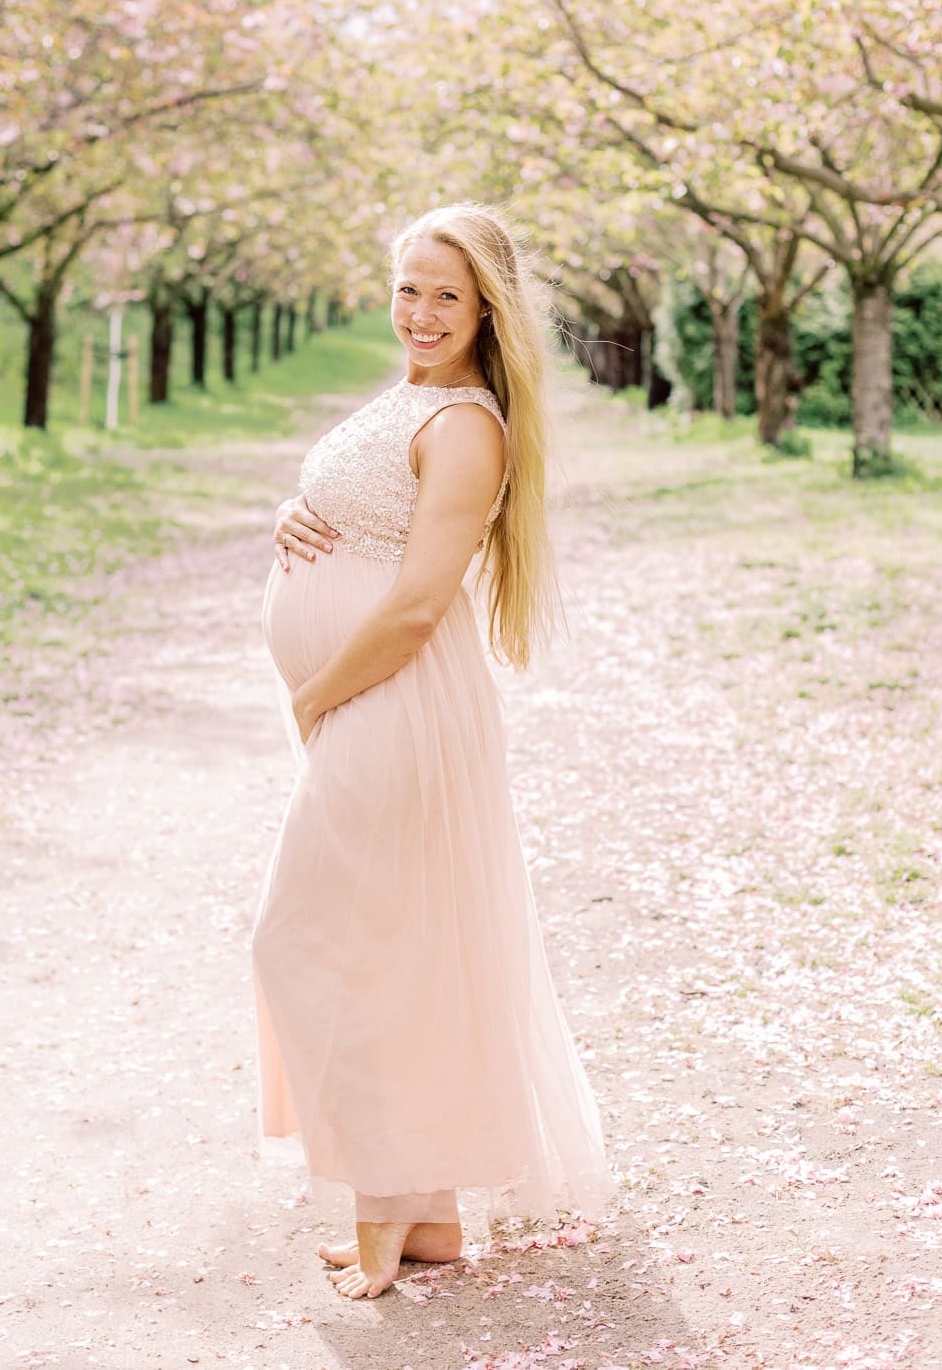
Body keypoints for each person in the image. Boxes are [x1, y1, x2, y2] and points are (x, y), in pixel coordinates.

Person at [251, 202, 613, 1301]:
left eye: (445, 295)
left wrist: (316, 693)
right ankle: (431, 1220)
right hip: (367, 700)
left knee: (331, 945)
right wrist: (291, 513)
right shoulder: (411, 397)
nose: (419, 310)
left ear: (485, 310)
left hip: (394, 700)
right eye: (409, 286)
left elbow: (415, 603)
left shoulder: (469, 425)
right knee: (373, 934)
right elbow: (362, 514)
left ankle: (381, 1219)